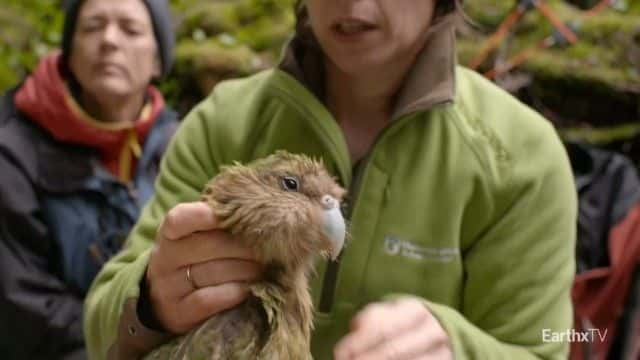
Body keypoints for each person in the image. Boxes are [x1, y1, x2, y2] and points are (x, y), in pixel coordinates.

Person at [84, 0, 577, 359]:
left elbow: (552, 347)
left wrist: (460, 348)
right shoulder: (224, 122)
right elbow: (100, 323)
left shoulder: (523, 157)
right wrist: (149, 302)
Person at [0, 0, 176, 358]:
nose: (109, 40)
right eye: (93, 26)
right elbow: (23, 307)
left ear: (158, 60)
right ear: (69, 50)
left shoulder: (184, 145)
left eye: (130, 29)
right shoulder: (13, 153)